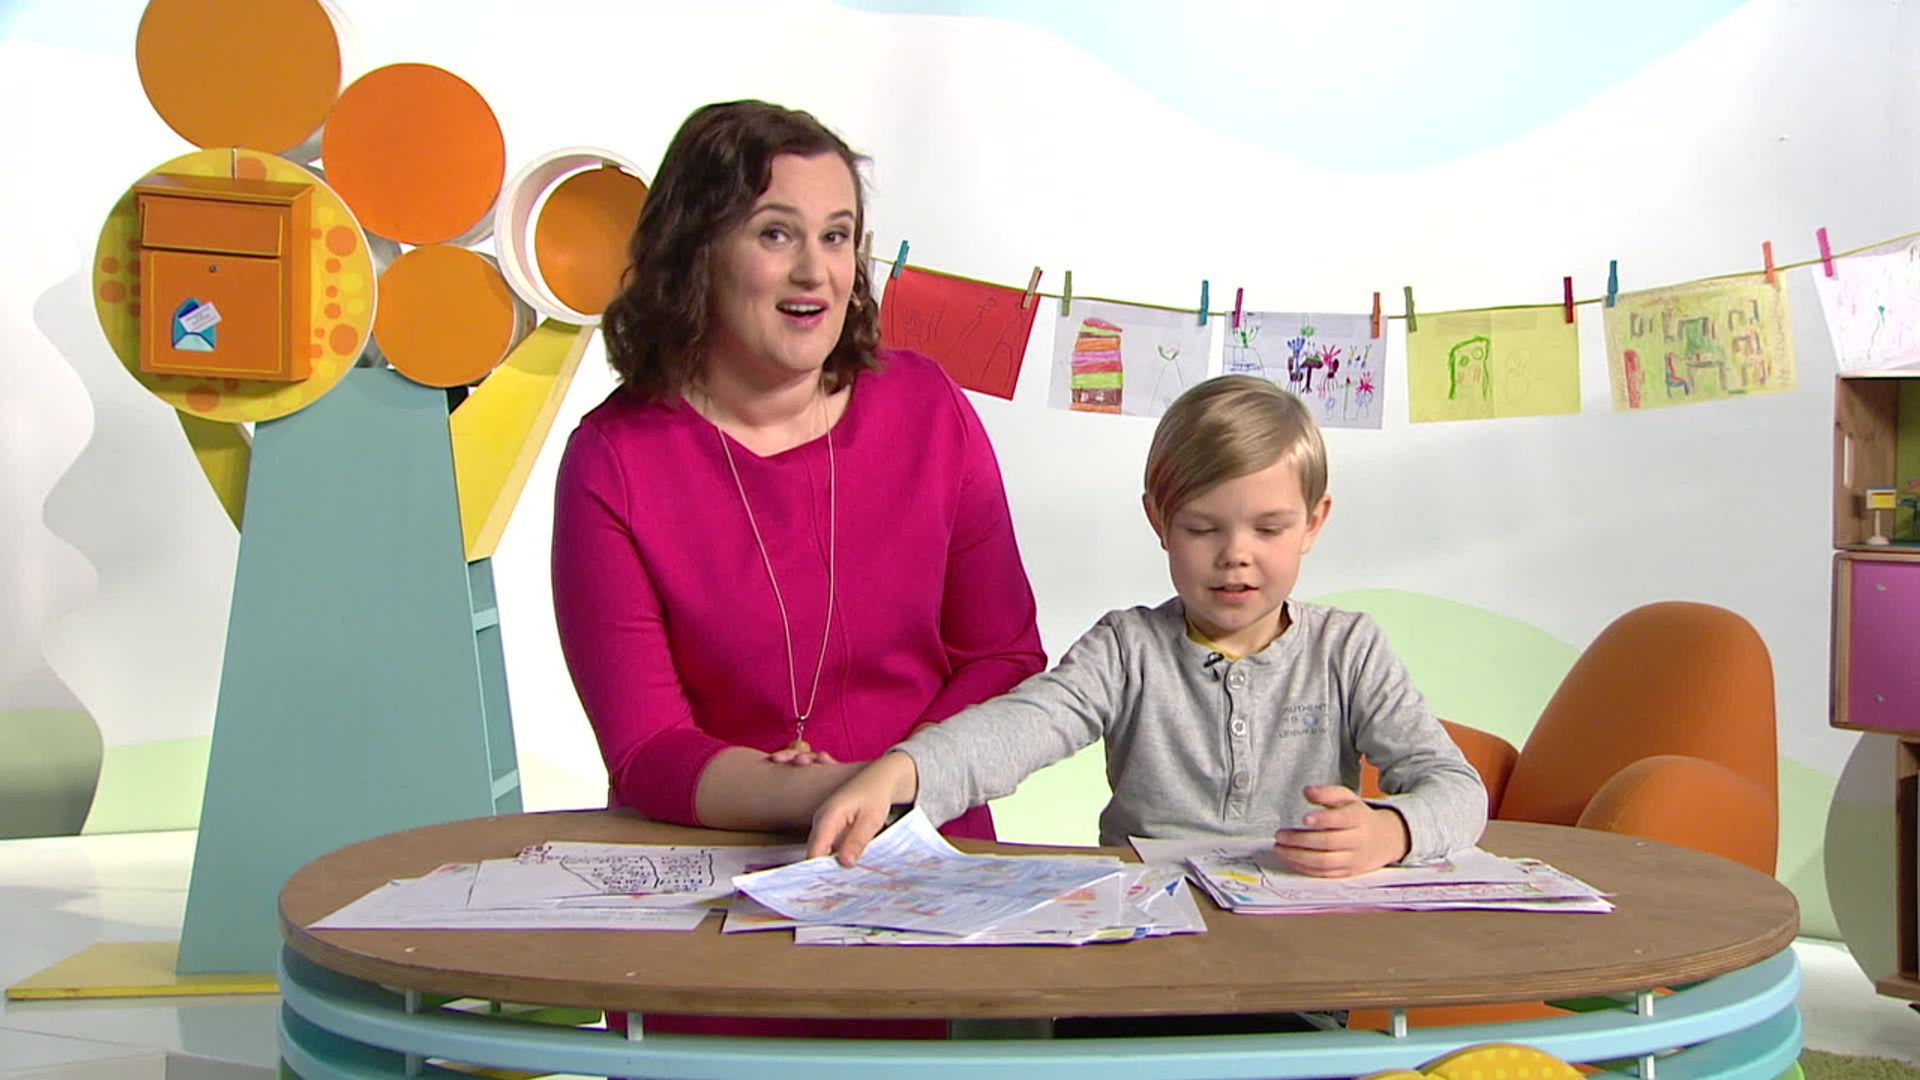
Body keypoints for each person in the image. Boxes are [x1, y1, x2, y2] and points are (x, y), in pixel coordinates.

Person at [551, 100, 1045, 1038]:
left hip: (927, 872)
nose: (816, 270)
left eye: (838, 235)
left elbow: (1005, 659)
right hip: (712, 896)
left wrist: (897, 778)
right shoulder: (613, 459)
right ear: (697, 250)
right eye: (776, 233)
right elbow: (647, 747)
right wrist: (823, 790)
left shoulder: (929, 409)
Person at [809, 375, 1488, 878]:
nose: (1236, 554)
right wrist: (898, 772)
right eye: (1202, 528)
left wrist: (1390, 831)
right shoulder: (1126, 649)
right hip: (1152, 948)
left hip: (1298, 963)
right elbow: (1017, 729)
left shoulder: (1348, 650)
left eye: (1269, 528)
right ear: (1159, 521)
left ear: (1313, 523)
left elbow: (1458, 791)